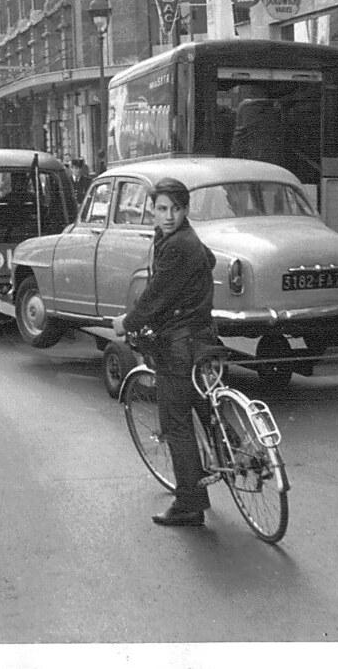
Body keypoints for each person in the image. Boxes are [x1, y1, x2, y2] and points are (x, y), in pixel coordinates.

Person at [112, 178, 217, 528]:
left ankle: (190, 503)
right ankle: (230, 461)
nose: (169, 215)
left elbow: (156, 295)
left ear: (185, 209)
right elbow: (210, 261)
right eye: (161, 209)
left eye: (175, 208)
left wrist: (128, 322)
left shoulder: (177, 245)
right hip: (203, 339)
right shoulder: (183, 239)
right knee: (207, 407)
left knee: (176, 422)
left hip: (180, 345)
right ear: (152, 209)